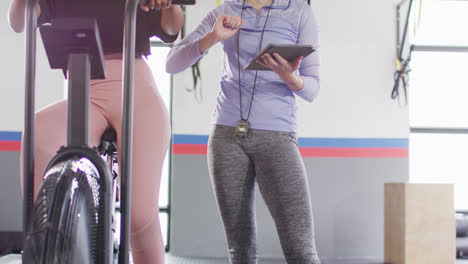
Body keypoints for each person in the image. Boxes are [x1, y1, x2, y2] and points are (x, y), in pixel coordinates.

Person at [8, 0, 184, 263]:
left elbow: (172, 29)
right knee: (37, 133)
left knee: (138, 217)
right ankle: (44, 243)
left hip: (136, 90)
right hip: (84, 92)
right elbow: (18, 22)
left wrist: (168, 4)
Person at [166, 0, 321, 263]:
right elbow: (172, 63)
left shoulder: (299, 12)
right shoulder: (225, 11)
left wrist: (288, 76)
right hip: (226, 136)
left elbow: (312, 89)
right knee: (241, 251)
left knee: (301, 251)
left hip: (278, 136)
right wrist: (212, 37)